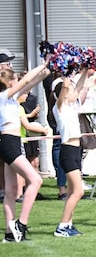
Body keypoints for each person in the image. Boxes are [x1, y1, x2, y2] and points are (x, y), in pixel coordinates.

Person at [1, 61, 50, 242]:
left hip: (11, 142)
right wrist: (41, 64)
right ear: (11, 83)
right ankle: (21, 224)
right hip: (8, 143)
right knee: (36, 180)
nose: (19, 82)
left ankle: (9, 233)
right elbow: (27, 79)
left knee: (12, 190)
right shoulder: (4, 95)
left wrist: (47, 69)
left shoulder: (11, 98)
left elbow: (32, 82)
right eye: (16, 79)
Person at [53, 67, 89, 237]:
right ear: (64, 92)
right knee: (78, 191)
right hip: (67, 151)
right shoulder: (59, 107)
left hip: (75, 150)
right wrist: (66, 73)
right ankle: (61, 226)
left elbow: (79, 86)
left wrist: (86, 69)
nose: (74, 92)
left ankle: (68, 224)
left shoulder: (72, 105)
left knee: (71, 191)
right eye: (70, 90)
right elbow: (66, 88)